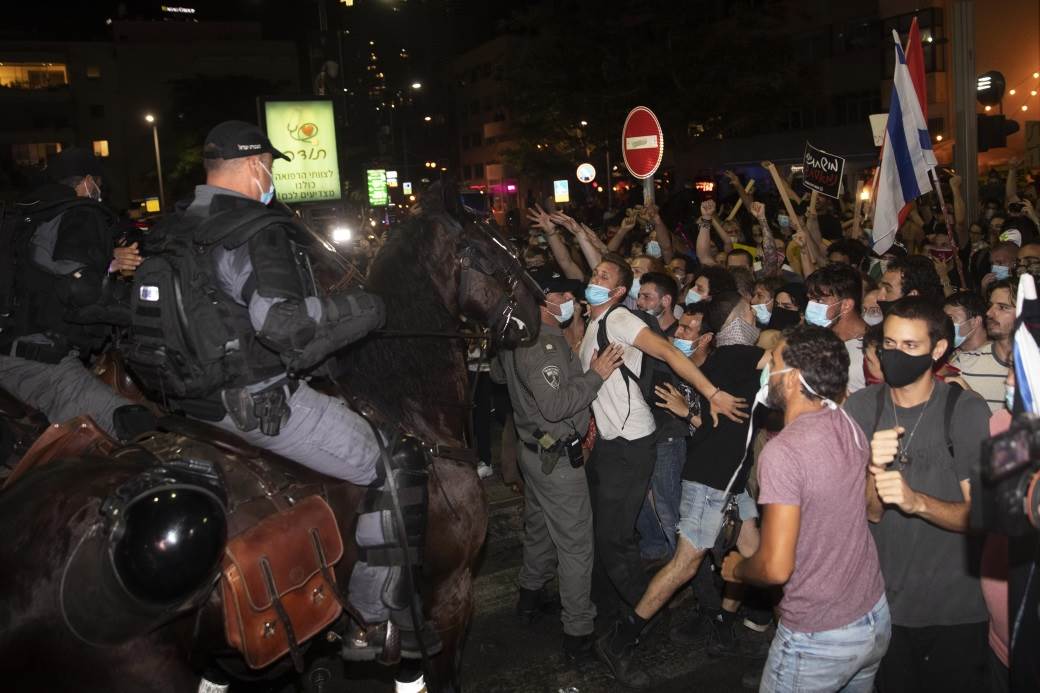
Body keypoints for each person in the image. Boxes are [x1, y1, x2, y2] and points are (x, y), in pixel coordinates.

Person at [126, 120, 436, 661]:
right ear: (253, 165)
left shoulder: (175, 225)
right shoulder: (252, 228)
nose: (271, 176)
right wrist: (365, 308)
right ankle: (373, 619)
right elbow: (284, 326)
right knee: (397, 459)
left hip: (186, 405)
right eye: (269, 164)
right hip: (255, 403)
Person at [577, 254, 745, 649]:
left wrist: (711, 392)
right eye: (594, 272)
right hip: (610, 443)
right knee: (607, 535)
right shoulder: (595, 322)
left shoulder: (619, 318)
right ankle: (612, 609)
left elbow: (667, 352)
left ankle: (646, 617)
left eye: (604, 276)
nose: (594, 278)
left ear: (619, 291)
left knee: (615, 539)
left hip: (629, 445)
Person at [596, 291, 762, 689]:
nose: (760, 318)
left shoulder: (724, 361)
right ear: (736, 323)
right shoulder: (743, 358)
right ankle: (622, 639)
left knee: (757, 552)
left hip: (730, 480)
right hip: (711, 482)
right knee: (684, 565)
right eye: (752, 313)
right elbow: (780, 341)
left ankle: (724, 621)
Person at [722, 324, 890, 693]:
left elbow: (775, 567)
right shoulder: (845, 419)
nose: (764, 363)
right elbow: (868, 510)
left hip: (821, 636)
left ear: (794, 378)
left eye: (774, 359)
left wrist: (738, 570)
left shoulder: (785, 452)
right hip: (872, 615)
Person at [844, 296, 991, 692]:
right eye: (890, 345)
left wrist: (916, 502)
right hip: (882, 607)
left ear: (938, 349)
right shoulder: (861, 408)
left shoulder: (965, 410)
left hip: (954, 610)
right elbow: (869, 514)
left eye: (910, 346)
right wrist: (875, 470)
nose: (896, 355)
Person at [491, 274, 624, 662]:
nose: (571, 298)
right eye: (562, 293)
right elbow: (554, 405)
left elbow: (500, 375)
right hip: (556, 460)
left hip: (534, 452)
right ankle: (578, 632)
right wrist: (595, 374)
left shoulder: (517, 334)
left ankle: (529, 598)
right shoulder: (545, 342)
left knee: (540, 527)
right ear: (542, 300)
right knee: (576, 545)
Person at [0, 147, 142, 438]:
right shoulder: (79, 212)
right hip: (39, 362)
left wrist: (106, 261)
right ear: (88, 181)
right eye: (98, 185)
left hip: (10, 351)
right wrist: (140, 310)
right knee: (135, 426)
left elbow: (41, 269)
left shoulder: (25, 216)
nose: (99, 191)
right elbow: (80, 288)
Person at [634, 272, 684, 561]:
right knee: (640, 497)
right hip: (642, 431)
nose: (640, 302)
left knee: (667, 503)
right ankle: (656, 550)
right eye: (639, 296)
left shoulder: (682, 335)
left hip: (668, 430)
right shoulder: (639, 335)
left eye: (647, 297)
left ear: (666, 301)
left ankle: (683, 563)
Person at [805, 263, 869, 395]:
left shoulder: (869, 352)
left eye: (819, 301)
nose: (811, 307)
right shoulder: (818, 337)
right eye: (810, 299)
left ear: (846, 305)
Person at [943, 291, 1007, 412]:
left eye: (951, 319)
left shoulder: (1001, 357)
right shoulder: (947, 357)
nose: (946, 325)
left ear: (975, 322)